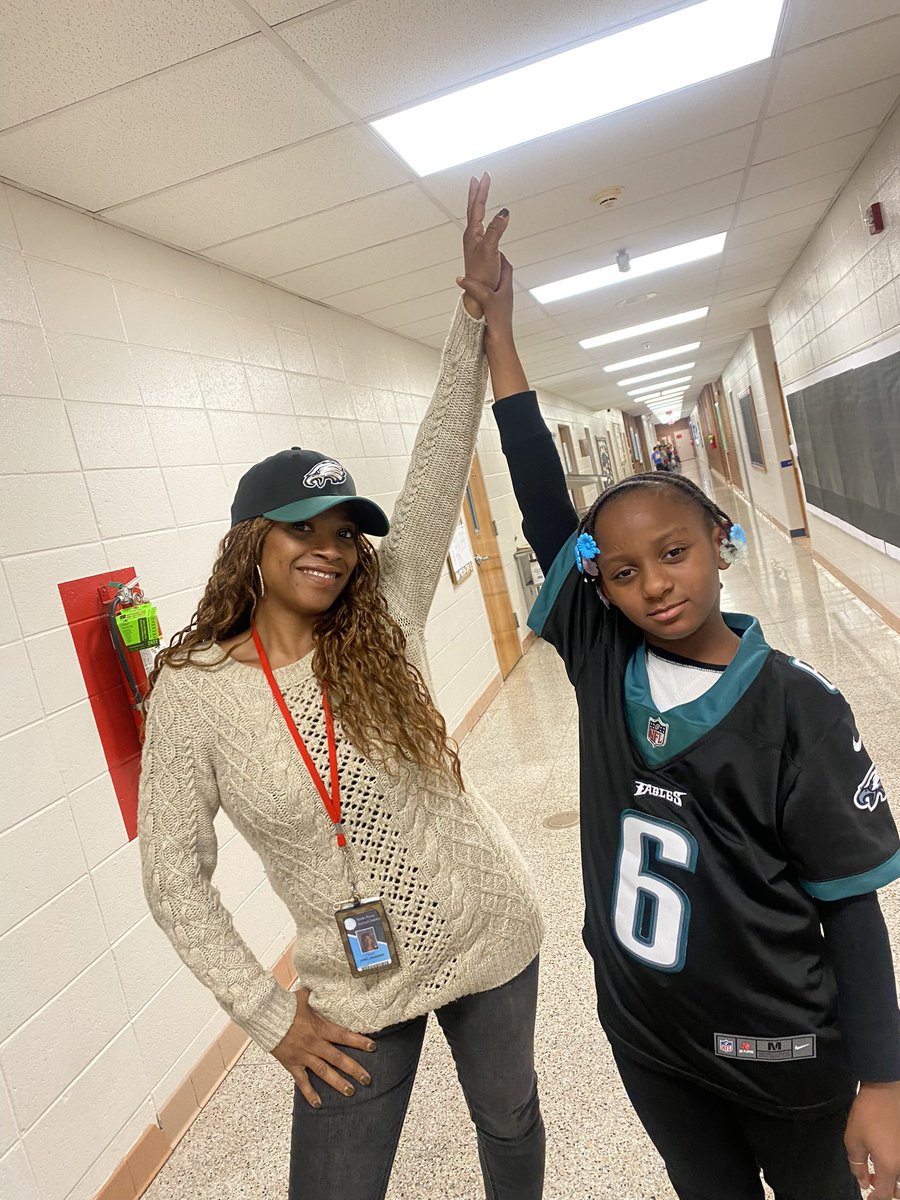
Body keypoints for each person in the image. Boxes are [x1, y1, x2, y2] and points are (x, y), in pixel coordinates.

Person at [455, 259, 900, 1200]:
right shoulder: (601, 656)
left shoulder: (798, 707)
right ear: (599, 587)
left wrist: (886, 1080)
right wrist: (502, 339)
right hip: (651, 1037)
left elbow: (852, 912)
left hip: (785, 1047)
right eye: (622, 572)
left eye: (674, 553)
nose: (654, 584)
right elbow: (545, 508)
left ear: (721, 544)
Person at [138, 175, 545, 1200]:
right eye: (301, 530)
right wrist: (273, 1022)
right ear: (252, 545)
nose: (329, 551)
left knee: (512, 1116)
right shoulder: (192, 690)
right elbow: (173, 879)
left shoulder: (385, 612)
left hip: (486, 924)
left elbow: (436, 460)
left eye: (340, 534)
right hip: (355, 980)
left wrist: (471, 317)